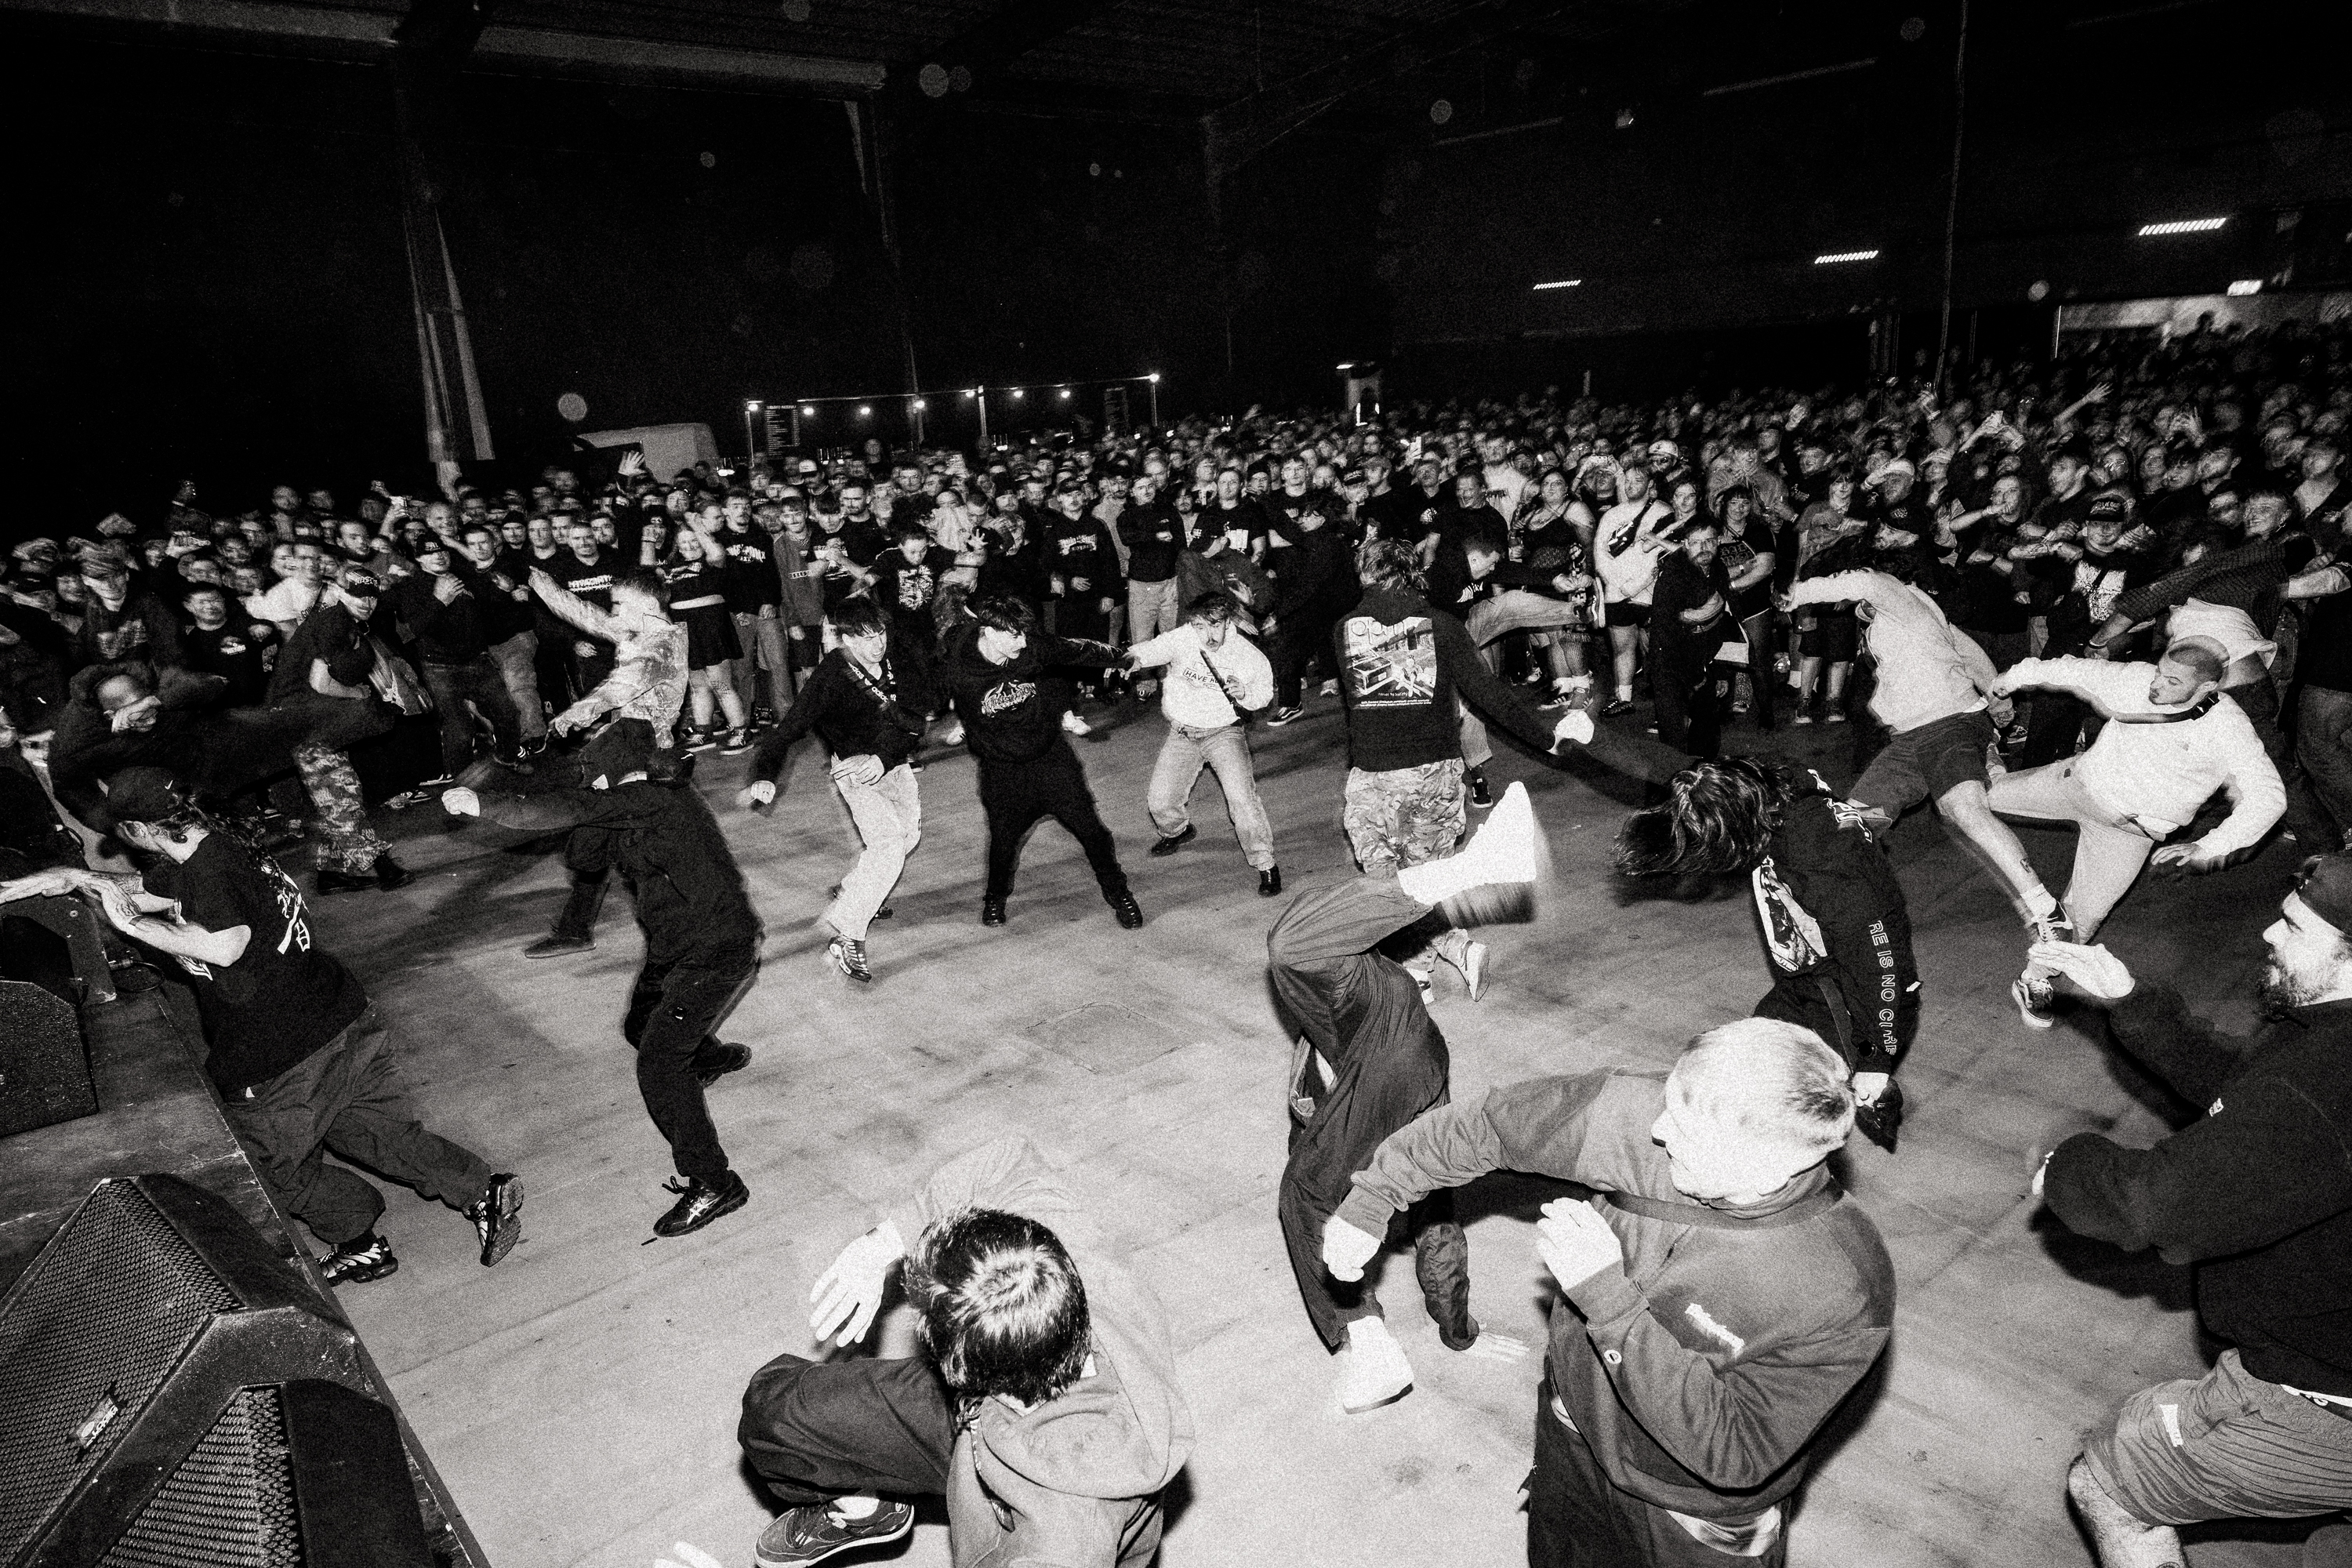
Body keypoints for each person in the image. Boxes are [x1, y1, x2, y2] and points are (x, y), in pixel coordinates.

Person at [1323, 1018, 1894, 1568]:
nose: (1659, 1130)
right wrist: (1374, 1198)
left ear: (1767, 1169)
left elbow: (1737, 1450)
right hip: (1573, 1431)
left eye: (1684, 1129)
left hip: (1688, 1513)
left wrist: (1608, 1299)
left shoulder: (1841, 1289)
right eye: (1669, 1103)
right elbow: (1489, 1125)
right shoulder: (1642, 1115)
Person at [0, 767, 522, 1284]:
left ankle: (357, 1239)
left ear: (137, 829)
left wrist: (130, 924)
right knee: (375, 1132)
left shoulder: (209, 871)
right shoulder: (216, 846)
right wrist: (76, 879)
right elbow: (144, 889)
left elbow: (224, 945)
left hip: (281, 1053)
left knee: (266, 1168)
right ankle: (482, 1191)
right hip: (340, 1018)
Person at [2030, 856, 2352, 1568]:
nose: (2269, 932)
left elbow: (2155, 1206)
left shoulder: (2327, 1084)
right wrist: (2131, 1000)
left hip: (2325, 1393)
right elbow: (2251, 1090)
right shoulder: (2325, 1037)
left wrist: (2066, 1164)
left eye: (2296, 926)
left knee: (2109, 1485)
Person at [736, 1137, 1193, 1568]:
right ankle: (867, 1508)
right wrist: (880, 1247)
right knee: (773, 1412)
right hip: (993, 1403)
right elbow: (1006, 1159)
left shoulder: (1063, 1532)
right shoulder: (1059, 1265)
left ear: (957, 1368)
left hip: (1037, 1474)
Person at [1270, 784, 1540, 1412]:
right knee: (1308, 1187)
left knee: (1293, 945)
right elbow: (1429, 1207)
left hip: (1394, 1046)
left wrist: (1459, 1325)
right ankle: (1366, 1337)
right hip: (1397, 1053)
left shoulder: (1373, 1007)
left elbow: (1436, 1217)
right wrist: (1457, 1330)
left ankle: (1475, 866)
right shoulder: (1331, 1060)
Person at [444, 720, 755, 1236]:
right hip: (674, 946)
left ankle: (715, 1183)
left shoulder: (657, 799)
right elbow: (583, 856)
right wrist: (594, 801)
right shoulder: (620, 808)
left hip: (716, 949)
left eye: (595, 773)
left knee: (658, 1064)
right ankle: (710, 1058)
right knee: (640, 1025)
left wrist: (488, 804)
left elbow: (567, 809)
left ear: (617, 771)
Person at [1334, 541, 1589, 1001]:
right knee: (1423, 878)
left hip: (1372, 776)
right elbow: (1486, 693)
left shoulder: (1344, 629)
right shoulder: (1443, 626)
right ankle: (1453, 952)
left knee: (1386, 882)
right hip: (1430, 773)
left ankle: (1421, 974)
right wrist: (1544, 737)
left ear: (1365, 576)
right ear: (1413, 575)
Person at [1617, 757, 1914, 1149]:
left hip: (1838, 996)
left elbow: (1882, 961)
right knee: (1746, 1063)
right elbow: (1671, 761)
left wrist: (1876, 1058)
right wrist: (1590, 736)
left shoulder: (1825, 861)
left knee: (1804, 1113)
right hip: (1801, 977)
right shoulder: (1764, 783)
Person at [1988, 641, 2283, 1027]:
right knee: (1980, 799)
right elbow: (2071, 668)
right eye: (2160, 671)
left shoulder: (2229, 728)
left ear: (2207, 688)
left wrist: (2210, 844)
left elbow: (2269, 797)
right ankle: (1986, 755)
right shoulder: (2137, 679)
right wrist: (2009, 680)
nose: (2157, 684)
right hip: (2076, 786)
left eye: (2173, 681)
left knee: (2082, 920)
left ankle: (2036, 979)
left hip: (2129, 834)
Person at [1784, 565, 2070, 959]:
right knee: (1851, 826)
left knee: (1962, 809)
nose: (1858, 606)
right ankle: (1825, 921)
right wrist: (1997, 702)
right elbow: (1968, 653)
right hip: (1910, 740)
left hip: (1949, 724)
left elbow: (1868, 582)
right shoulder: (1917, 615)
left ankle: (2046, 910)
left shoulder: (1900, 597)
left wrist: (1798, 593)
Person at [738, 598, 928, 984]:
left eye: (880, 634)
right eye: (865, 637)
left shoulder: (899, 658)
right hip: (856, 774)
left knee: (908, 838)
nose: (877, 644)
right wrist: (765, 775)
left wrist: (883, 758)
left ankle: (853, 889)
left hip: (893, 764)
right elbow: (786, 732)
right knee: (888, 847)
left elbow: (914, 722)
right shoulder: (829, 680)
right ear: (845, 640)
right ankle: (847, 936)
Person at [936, 593, 1142, 930]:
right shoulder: (958, 662)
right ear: (989, 632)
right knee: (1003, 842)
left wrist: (1122, 657)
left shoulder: (1030, 646)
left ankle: (1119, 892)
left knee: (1093, 832)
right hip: (1002, 768)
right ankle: (995, 898)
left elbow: (1078, 649)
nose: (1022, 642)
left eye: (1023, 634)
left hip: (1050, 758)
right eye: (1013, 636)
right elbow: (920, 694)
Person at [1127, 591, 1280, 895]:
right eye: (1200, 626)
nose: (1208, 635)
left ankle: (1265, 862)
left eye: (1215, 625)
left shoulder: (1248, 656)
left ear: (1228, 622)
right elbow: (1150, 650)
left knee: (1243, 802)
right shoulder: (1182, 638)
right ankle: (1178, 831)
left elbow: (1264, 696)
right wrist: (1126, 659)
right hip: (1183, 733)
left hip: (1224, 733)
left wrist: (1245, 695)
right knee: (1160, 801)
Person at [386, 532, 530, 782]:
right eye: (431, 553)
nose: (439, 556)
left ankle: (507, 758)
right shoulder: (411, 587)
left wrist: (508, 592)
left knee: (508, 714)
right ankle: (463, 782)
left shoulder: (464, 577)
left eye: (442, 551)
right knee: (460, 728)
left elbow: (490, 604)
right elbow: (411, 631)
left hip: (477, 661)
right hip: (440, 667)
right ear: (419, 559)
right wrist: (440, 600)